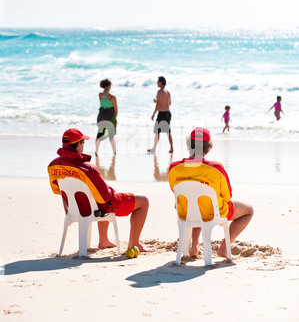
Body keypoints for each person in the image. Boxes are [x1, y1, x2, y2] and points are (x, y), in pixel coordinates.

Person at [48, 128, 149, 252]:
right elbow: (105, 197)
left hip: (73, 208)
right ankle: (134, 244)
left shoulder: (53, 165)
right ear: (79, 145)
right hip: (93, 209)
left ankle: (104, 240)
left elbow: (57, 190)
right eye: (83, 142)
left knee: (96, 197)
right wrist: (111, 190)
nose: (83, 145)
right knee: (143, 202)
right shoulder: (87, 168)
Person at [168, 127, 253, 259]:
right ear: (208, 147)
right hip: (212, 213)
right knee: (249, 210)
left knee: (196, 202)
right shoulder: (216, 168)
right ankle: (224, 249)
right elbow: (227, 196)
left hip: (186, 212)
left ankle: (194, 246)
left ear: (189, 144)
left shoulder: (174, 167)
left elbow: (175, 190)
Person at [147, 76, 173, 153]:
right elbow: (169, 103)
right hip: (168, 113)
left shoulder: (159, 92)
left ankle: (154, 149)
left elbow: (158, 105)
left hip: (161, 114)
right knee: (168, 132)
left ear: (161, 82)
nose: (157, 83)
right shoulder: (168, 92)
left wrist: (153, 114)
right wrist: (158, 101)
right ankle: (171, 148)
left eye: (158, 81)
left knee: (157, 132)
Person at [96, 79, 118, 156]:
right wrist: (115, 117)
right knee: (111, 135)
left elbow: (103, 103)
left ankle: (96, 151)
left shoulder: (100, 95)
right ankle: (114, 152)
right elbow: (116, 109)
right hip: (110, 115)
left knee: (99, 134)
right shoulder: (112, 97)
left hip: (101, 115)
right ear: (109, 86)